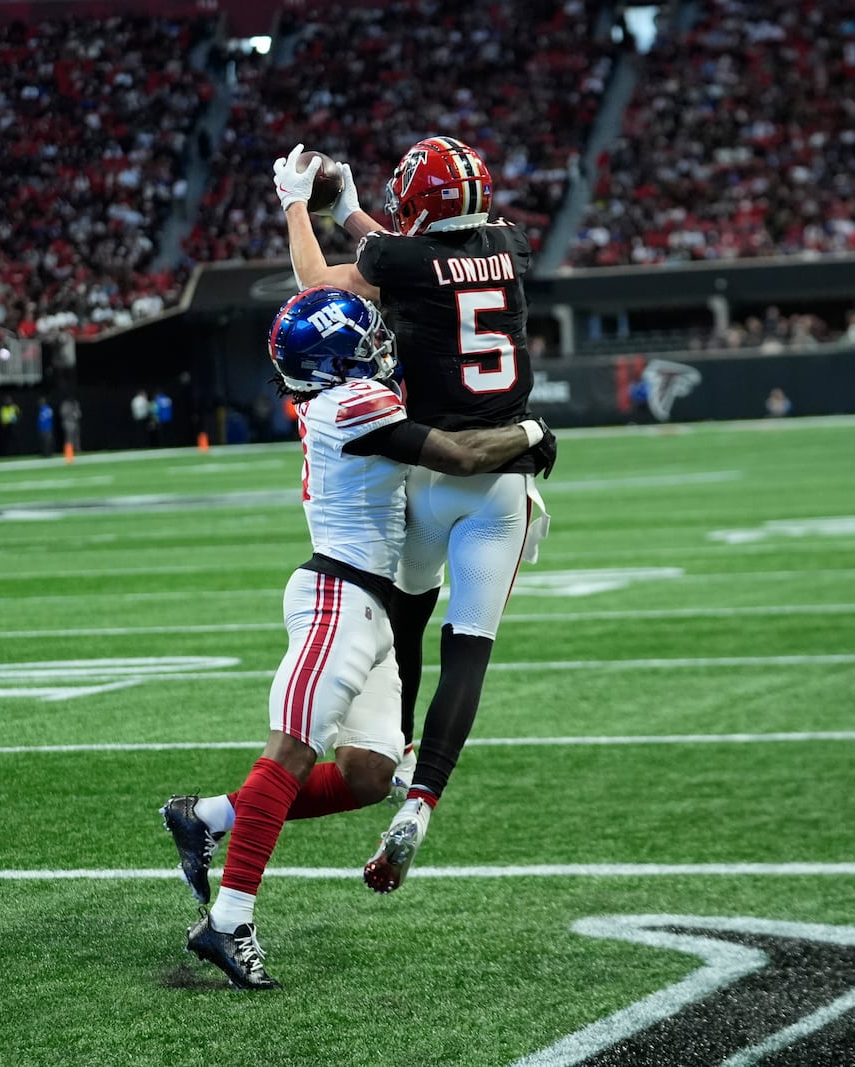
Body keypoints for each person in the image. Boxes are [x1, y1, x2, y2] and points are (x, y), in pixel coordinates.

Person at [160, 287, 554, 990]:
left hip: (373, 608)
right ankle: (228, 920)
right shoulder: (351, 403)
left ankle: (207, 817)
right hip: (337, 599)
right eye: (364, 341)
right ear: (337, 359)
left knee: (370, 772)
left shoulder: (341, 396)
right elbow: (462, 455)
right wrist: (529, 433)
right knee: (289, 751)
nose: (378, 347)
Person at [274, 137, 554, 893]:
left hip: (427, 468)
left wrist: (297, 203)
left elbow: (320, 287)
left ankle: (390, 748)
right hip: (503, 477)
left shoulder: (404, 260)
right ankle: (421, 802)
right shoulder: (512, 246)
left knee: (405, 621)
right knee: (473, 648)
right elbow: (421, 257)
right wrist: (357, 213)